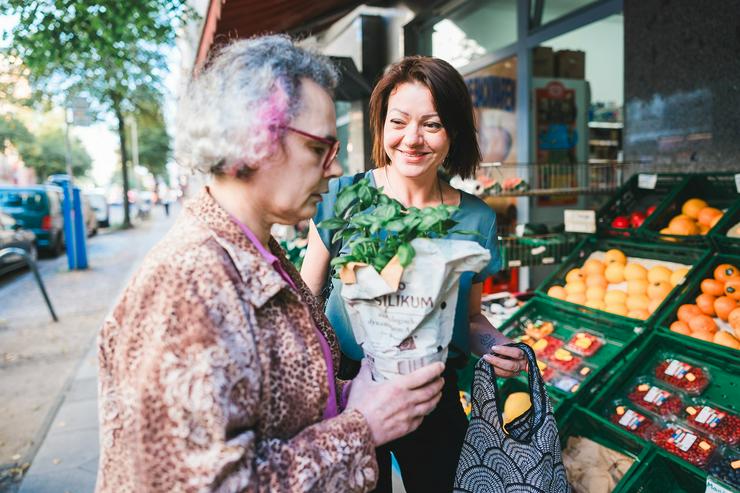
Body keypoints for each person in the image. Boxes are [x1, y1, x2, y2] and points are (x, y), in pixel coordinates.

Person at [96, 36, 446, 493]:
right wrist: (363, 426)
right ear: (254, 138)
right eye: (320, 148)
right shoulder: (186, 284)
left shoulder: (256, 251)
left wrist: (356, 396)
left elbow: (281, 405)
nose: (334, 170)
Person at [301, 55, 528, 492]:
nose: (412, 139)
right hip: (348, 390)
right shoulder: (342, 198)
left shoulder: (476, 219)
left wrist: (499, 348)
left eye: (432, 124)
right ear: (381, 126)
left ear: (454, 132)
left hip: (431, 385)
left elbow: (470, 320)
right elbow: (304, 305)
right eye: (398, 121)